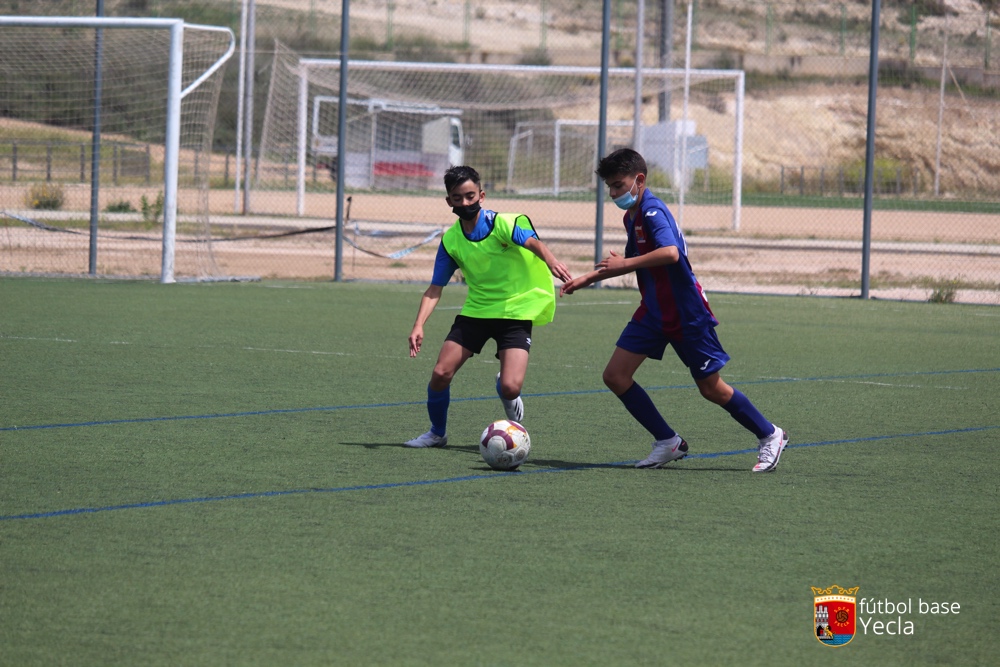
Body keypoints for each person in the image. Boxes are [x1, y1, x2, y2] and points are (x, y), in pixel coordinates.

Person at [560, 148, 788, 472]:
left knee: (711, 388)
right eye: (609, 187)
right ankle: (667, 441)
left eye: (618, 185)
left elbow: (670, 253)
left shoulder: (653, 211)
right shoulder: (632, 216)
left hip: (685, 312)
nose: (613, 193)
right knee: (615, 376)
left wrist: (624, 264)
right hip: (654, 311)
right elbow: (630, 261)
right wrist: (586, 279)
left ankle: (770, 434)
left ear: (639, 180)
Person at [404, 165, 572, 448]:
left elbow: (532, 242)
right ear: (449, 201)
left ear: (481, 195)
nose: (465, 203)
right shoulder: (451, 240)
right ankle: (437, 433)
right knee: (441, 373)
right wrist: (418, 325)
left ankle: (506, 388)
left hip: (515, 311)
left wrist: (552, 261)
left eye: (470, 196)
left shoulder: (503, 224)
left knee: (510, 387)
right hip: (477, 311)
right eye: (457, 198)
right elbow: (434, 289)